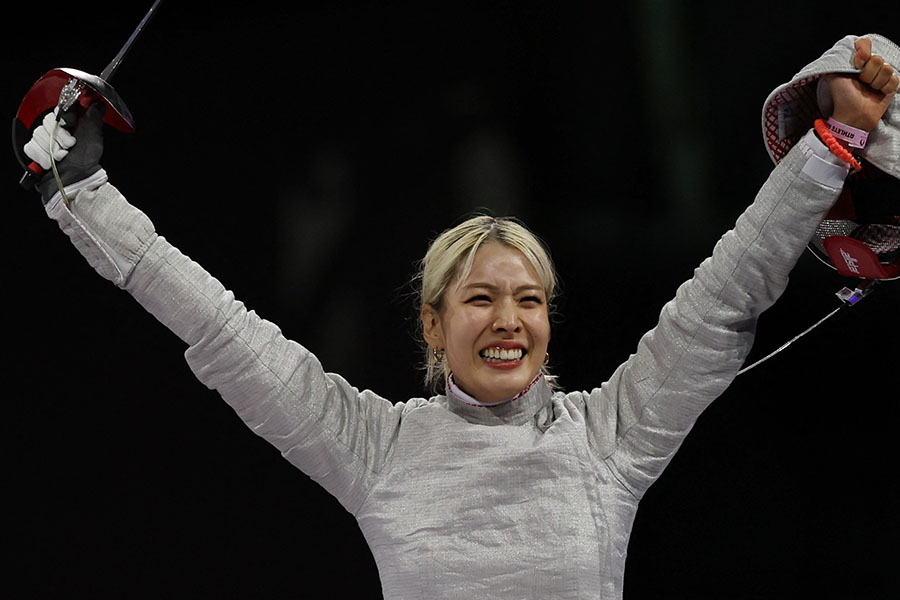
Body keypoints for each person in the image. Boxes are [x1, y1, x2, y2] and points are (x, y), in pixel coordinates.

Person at [20, 33, 898, 599]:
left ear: (550, 321)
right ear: (434, 327)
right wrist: (82, 196)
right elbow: (221, 329)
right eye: (480, 299)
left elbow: (725, 296)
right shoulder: (375, 448)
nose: (507, 319)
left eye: (527, 300)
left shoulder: (607, 439)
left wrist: (832, 146)